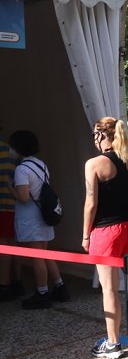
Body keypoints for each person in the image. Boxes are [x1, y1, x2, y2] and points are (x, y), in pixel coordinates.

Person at [84, 117, 128, 358]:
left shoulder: (94, 163)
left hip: (105, 232)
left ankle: (113, 343)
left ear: (100, 135)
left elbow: (91, 203)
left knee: (110, 289)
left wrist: (85, 235)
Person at [9, 130, 68, 309]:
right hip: (43, 215)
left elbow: (24, 196)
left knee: (37, 257)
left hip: (30, 218)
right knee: (45, 253)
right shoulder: (40, 164)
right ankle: (59, 286)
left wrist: (9, 187)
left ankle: (42, 292)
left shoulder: (21, 169)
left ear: (18, 148)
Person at [0, 126, 21, 301]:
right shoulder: (9, 150)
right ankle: (17, 281)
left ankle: (4, 284)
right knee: (13, 243)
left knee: (4, 244)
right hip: (13, 205)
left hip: (2, 205)